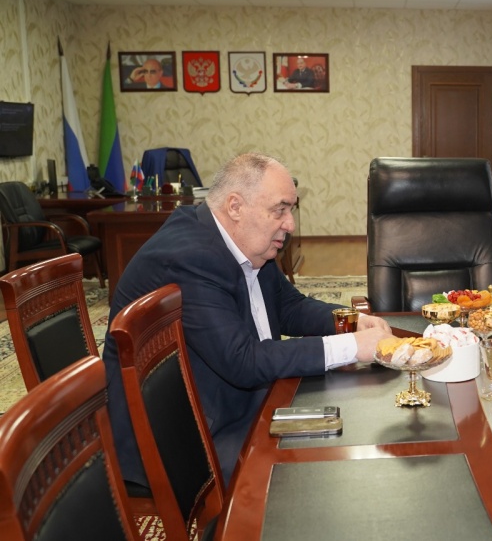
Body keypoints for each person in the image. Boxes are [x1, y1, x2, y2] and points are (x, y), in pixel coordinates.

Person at [102, 152, 394, 487]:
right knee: (314, 476)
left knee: (349, 422)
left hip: (226, 404)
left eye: (291, 210)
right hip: (186, 440)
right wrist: (352, 346)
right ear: (235, 207)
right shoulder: (191, 257)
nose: (290, 224)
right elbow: (243, 360)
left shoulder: (247, 243)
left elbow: (289, 307)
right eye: (280, 210)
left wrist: (353, 321)